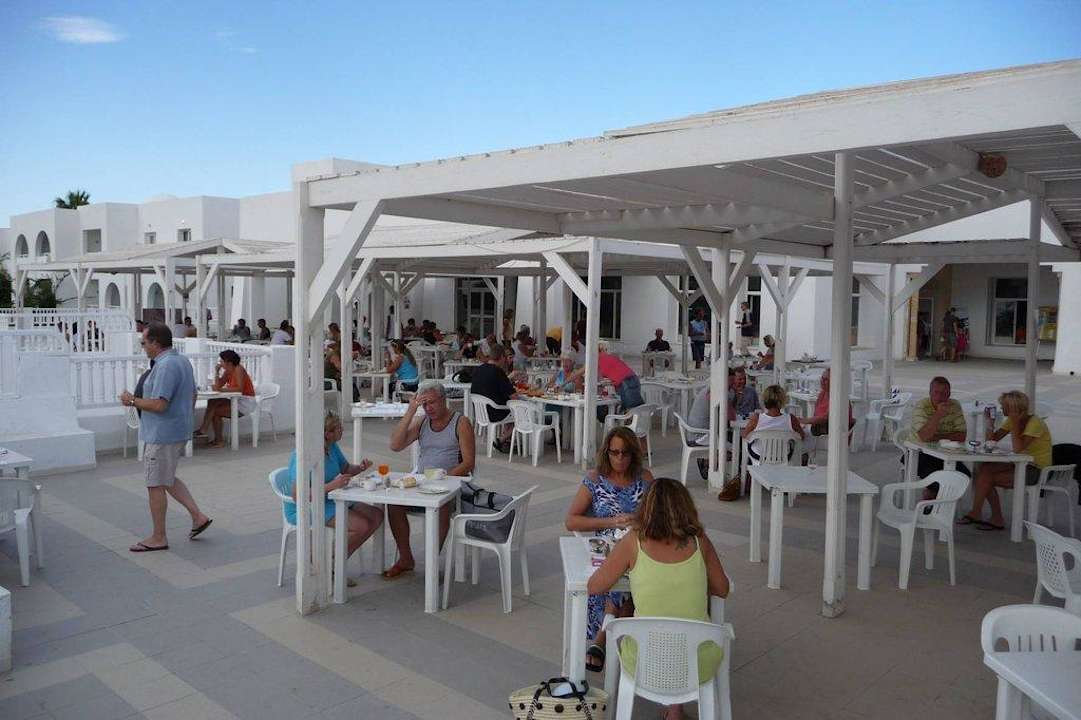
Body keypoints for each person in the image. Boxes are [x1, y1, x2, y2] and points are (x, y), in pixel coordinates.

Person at [588, 477, 729, 720]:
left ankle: (668, 709)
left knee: (631, 618)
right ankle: (675, 712)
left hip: (645, 662)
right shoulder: (699, 542)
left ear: (646, 508)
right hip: (697, 665)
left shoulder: (633, 542)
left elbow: (594, 586)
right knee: (683, 624)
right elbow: (722, 589)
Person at [565, 426, 655, 673]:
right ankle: (614, 643)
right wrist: (611, 521)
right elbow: (571, 520)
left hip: (638, 545)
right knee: (622, 581)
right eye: (614, 453)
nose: (619, 459)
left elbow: (658, 515)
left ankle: (602, 641)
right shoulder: (595, 480)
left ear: (633, 454)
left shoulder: (645, 479)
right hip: (605, 546)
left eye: (625, 453)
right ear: (607, 453)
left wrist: (638, 522)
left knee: (630, 577)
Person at [119, 323, 211, 552]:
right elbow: (193, 393)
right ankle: (198, 517)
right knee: (166, 478)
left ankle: (159, 537)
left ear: (155, 343)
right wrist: (184, 418)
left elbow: (160, 404)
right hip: (174, 431)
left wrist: (131, 400)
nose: (143, 347)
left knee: (155, 484)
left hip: (162, 435)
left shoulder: (166, 365)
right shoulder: (181, 361)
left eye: (144, 342)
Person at [384, 381, 475, 579]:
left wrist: (445, 477)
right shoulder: (423, 421)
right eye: (424, 404)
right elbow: (395, 445)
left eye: (432, 403)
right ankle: (406, 559)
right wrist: (411, 411)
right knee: (393, 504)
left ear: (444, 400)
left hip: (452, 483)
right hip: (423, 482)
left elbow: (468, 463)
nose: (428, 408)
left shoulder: (461, 422)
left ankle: (432, 561)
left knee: (440, 506)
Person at [284, 412, 381, 581]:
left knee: (377, 515)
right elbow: (297, 496)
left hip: (332, 497)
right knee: (362, 526)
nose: (342, 430)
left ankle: (334, 562)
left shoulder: (331, 446)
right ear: (327, 433)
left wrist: (360, 468)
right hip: (310, 505)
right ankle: (326, 565)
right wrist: (331, 486)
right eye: (338, 428)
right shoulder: (303, 454)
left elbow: (345, 468)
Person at [961, 390, 1052, 531]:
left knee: (987, 477)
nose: (1001, 409)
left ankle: (984, 515)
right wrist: (990, 423)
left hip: (1036, 469)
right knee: (983, 470)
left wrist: (1014, 424)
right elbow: (991, 441)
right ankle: (983, 514)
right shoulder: (1011, 420)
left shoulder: (1035, 423)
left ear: (1013, 409)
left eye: (1004, 406)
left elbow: (1018, 449)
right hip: (1020, 464)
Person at [910, 377, 971, 487]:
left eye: (944, 393)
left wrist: (936, 437)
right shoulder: (922, 406)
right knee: (938, 482)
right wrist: (938, 415)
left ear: (949, 394)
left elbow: (962, 436)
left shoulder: (955, 405)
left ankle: (938, 501)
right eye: (936, 392)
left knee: (964, 477)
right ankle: (929, 500)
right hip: (919, 453)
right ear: (930, 392)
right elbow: (924, 437)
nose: (940, 397)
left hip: (946, 453)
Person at [566, 341, 644, 420]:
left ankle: (626, 427)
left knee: (631, 413)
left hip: (626, 382)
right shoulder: (611, 358)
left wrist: (562, 384)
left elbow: (577, 374)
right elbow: (605, 379)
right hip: (634, 379)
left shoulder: (595, 360)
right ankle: (626, 425)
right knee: (633, 411)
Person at [194, 349, 256, 448]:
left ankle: (211, 435)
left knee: (215, 412)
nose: (220, 363)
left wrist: (222, 390)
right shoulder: (228, 372)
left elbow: (239, 389)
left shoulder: (238, 369)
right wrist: (216, 372)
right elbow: (218, 386)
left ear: (228, 362)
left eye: (222, 361)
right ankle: (206, 432)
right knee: (213, 401)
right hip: (236, 400)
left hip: (245, 402)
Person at [796, 368, 854, 461]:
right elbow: (816, 415)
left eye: (826, 379)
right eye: (822, 378)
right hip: (821, 429)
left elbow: (825, 418)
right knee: (799, 433)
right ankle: (804, 460)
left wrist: (803, 420)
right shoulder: (823, 394)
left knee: (800, 437)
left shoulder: (838, 396)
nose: (822, 381)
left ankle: (803, 462)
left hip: (835, 433)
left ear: (835, 381)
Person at [469, 344, 518, 451]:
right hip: (495, 413)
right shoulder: (498, 372)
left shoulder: (478, 370)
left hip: (480, 412)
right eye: (505, 358)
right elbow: (514, 396)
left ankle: (505, 440)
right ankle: (501, 439)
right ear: (501, 357)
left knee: (510, 409)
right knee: (523, 412)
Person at [741, 384, 804, 463]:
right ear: (782, 401)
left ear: (765, 400)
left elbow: (745, 435)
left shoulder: (756, 418)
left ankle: (746, 471)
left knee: (748, 443)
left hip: (759, 456)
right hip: (783, 456)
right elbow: (801, 436)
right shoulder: (791, 419)